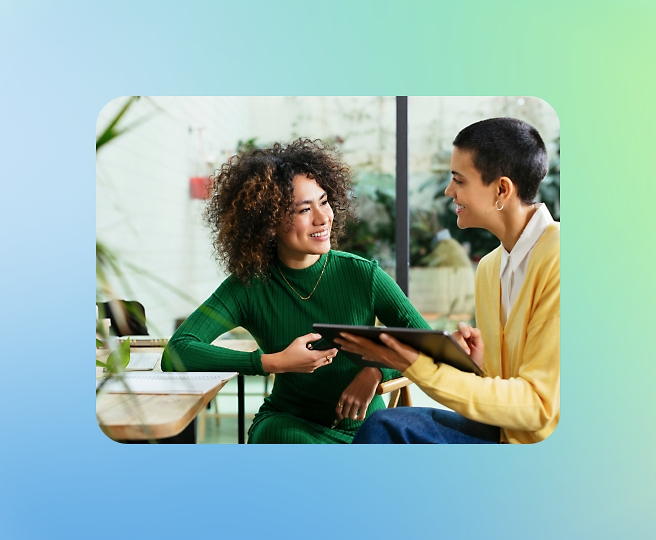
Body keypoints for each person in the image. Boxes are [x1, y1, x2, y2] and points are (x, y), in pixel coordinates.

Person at [162, 139, 430, 443]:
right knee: (281, 439)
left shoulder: (362, 274)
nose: (322, 218)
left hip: (365, 431)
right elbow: (177, 351)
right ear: (268, 223)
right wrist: (271, 362)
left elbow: (426, 341)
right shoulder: (249, 286)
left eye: (324, 201)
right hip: (289, 424)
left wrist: (376, 370)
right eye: (304, 209)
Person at [337, 118, 559, 444]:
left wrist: (413, 363)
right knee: (386, 425)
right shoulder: (489, 268)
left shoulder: (560, 258)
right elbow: (504, 389)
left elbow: (540, 408)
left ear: (502, 189)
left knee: (385, 429)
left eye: (458, 180)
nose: (448, 191)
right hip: (502, 431)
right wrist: (476, 366)